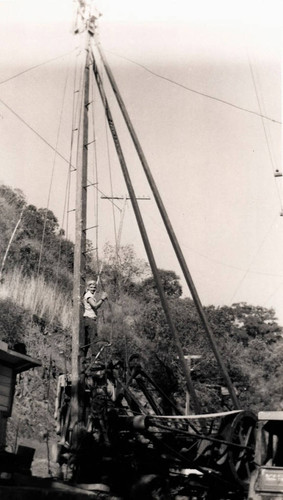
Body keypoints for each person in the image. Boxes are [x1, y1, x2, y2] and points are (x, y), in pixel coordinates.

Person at [83, 279, 108, 357]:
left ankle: (85, 358)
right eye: (91, 287)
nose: (93, 289)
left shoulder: (91, 295)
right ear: (88, 288)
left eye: (94, 287)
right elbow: (95, 306)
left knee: (88, 340)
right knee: (93, 339)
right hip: (89, 319)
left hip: (89, 319)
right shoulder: (88, 295)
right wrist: (102, 299)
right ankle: (95, 358)